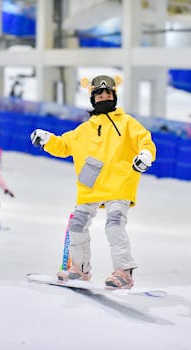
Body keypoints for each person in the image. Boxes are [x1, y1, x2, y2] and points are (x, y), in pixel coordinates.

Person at [30, 75, 156, 290]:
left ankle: (124, 273)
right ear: (93, 98)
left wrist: (145, 154)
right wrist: (48, 139)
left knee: (114, 225)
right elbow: (63, 146)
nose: (104, 97)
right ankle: (79, 270)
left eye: (108, 93)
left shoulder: (126, 123)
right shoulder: (84, 130)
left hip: (119, 183)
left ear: (114, 96)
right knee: (77, 224)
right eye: (99, 94)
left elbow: (144, 140)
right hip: (90, 186)